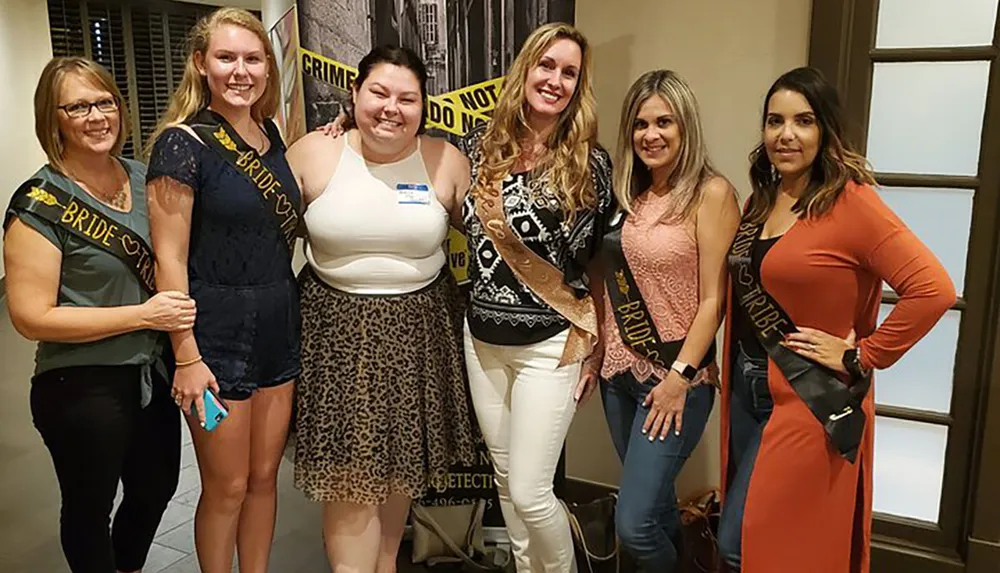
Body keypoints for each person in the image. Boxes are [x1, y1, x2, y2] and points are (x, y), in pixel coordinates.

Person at [715, 66, 956, 573]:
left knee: (746, 542)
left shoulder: (853, 202)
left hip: (809, 395)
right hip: (746, 386)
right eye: (774, 121)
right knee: (760, 539)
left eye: (803, 121)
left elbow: (933, 289)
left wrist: (863, 355)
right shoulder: (764, 199)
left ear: (825, 129)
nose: (786, 134)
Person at [285, 44, 477, 573]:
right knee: (350, 486)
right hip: (337, 336)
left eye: (407, 98)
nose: (392, 107)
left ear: (424, 106)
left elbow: (495, 246)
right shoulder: (313, 153)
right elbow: (261, 244)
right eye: (379, 93)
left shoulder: (446, 160)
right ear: (354, 94)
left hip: (419, 334)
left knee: (396, 485)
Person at [2, 56, 192, 573]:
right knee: (89, 507)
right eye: (78, 106)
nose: (96, 116)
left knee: (157, 488)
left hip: (151, 374)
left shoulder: (143, 176)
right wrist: (144, 315)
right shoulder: (39, 203)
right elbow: (30, 316)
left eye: (104, 101)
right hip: (80, 383)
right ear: (54, 118)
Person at [144, 8, 301, 573]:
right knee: (227, 485)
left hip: (278, 328)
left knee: (264, 479)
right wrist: (186, 355)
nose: (241, 70)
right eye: (227, 57)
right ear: (201, 65)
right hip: (213, 336)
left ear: (267, 68)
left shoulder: (272, 135)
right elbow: (170, 259)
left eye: (253, 59)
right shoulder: (182, 145)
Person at [461, 22, 613, 572]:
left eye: (568, 72)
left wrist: (597, 345)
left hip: (551, 342)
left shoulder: (589, 163)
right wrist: (343, 123)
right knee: (505, 481)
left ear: (579, 85)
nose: (554, 80)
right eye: (545, 66)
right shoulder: (478, 146)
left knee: (529, 491)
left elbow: (597, 262)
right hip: (481, 341)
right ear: (525, 68)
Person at [591, 70, 739, 571]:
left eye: (664, 122)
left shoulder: (711, 194)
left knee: (633, 524)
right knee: (654, 509)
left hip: (675, 380)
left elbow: (714, 301)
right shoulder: (628, 194)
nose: (650, 135)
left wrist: (678, 379)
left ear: (686, 127)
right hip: (618, 374)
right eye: (640, 124)